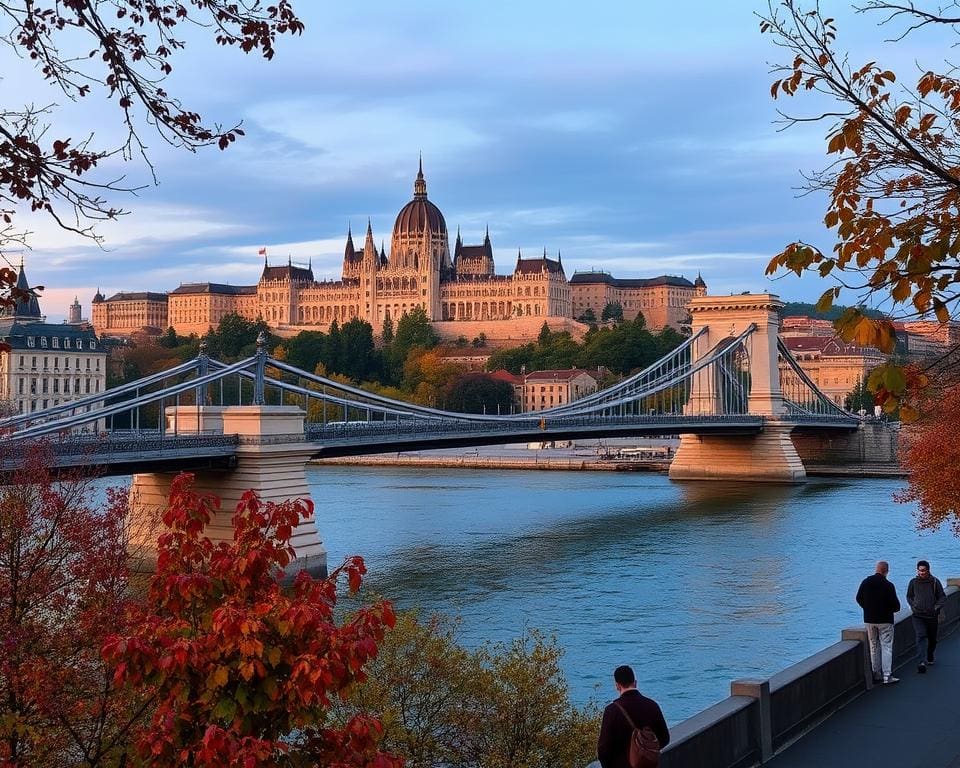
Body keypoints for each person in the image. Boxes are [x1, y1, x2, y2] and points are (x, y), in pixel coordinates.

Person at [597, 665, 670, 768]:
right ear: (635, 682)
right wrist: (646, 754)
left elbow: (603, 749)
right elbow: (665, 738)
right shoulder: (652, 705)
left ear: (617, 686)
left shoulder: (612, 711)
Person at [855, 560, 901, 684]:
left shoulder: (865, 582)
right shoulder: (888, 585)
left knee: (874, 646)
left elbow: (858, 598)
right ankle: (887, 675)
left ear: (876, 569)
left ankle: (876, 674)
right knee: (886, 647)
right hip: (885, 620)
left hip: (869, 620)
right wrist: (888, 610)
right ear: (886, 571)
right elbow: (896, 606)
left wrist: (867, 608)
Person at [907, 559, 946, 674]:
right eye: (919, 570)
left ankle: (930, 655)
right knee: (920, 635)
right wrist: (913, 606)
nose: (921, 573)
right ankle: (921, 662)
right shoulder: (913, 582)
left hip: (932, 616)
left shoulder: (934, 582)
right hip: (918, 615)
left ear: (928, 570)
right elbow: (909, 596)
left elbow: (942, 597)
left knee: (932, 639)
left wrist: (936, 607)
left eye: (923, 571)